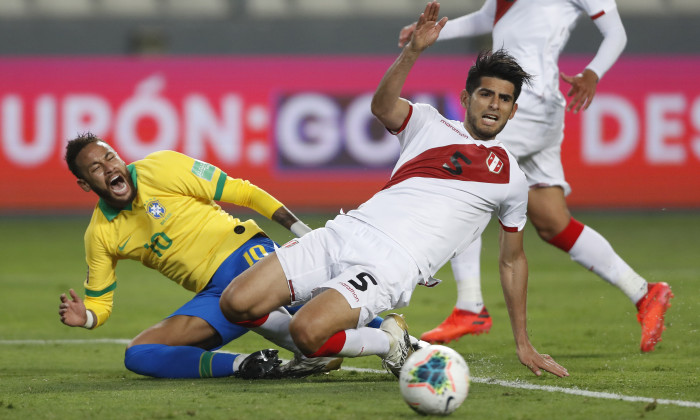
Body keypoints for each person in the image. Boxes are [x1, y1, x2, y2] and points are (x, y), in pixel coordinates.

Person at [219, 2, 569, 379]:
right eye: (486, 94)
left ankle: (389, 342)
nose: (494, 105)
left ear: (513, 111)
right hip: (345, 231)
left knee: (306, 331)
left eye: (504, 99)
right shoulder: (427, 122)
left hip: (389, 264)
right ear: (467, 98)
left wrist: (523, 341)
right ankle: (330, 349)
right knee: (236, 303)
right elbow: (382, 106)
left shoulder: (511, 178)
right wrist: (413, 50)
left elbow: (512, 260)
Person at [398, 0, 673, 352]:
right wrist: (435, 33)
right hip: (532, 107)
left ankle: (470, 306)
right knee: (552, 221)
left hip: (529, 106)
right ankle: (644, 292)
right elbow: (488, 17)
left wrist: (592, 73)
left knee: (467, 184)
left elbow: (615, 33)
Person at [58, 133, 340, 379]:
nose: (109, 169)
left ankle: (381, 334)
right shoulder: (100, 234)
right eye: (96, 168)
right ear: (85, 184)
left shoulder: (162, 168)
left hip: (247, 256)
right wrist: (87, 317)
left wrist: (302, 231)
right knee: (139, 354)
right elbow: (100, 302)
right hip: (215, 297)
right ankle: (248, 365)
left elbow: (244, 193)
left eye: (110, 157)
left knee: (310, 305)